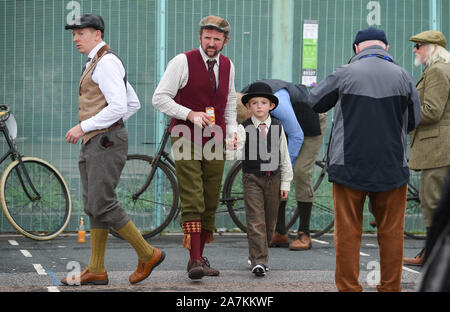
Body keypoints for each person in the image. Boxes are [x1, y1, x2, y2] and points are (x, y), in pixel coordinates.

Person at [307, 27, 421, 292]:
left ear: (356, 48)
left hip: (349, 166)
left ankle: (349, 288)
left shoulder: (344, 73)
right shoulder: (404, 76)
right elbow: (415, 120)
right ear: (386, 48)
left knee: (348, 232)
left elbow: (315, 101)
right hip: (392, 167)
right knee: (391, 232)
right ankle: (390, 287)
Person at [62, 13, 165, 286]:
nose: (75, 38)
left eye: (80, 33)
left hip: (103, 141)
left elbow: (120, 107)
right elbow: (133, 103)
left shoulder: (106, 62)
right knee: (94, 205)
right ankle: (96, 269)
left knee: (103, 203)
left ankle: (148, 253)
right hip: (100, 140)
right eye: (74, 34)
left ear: (97, 34)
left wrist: (87, 127)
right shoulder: (99, 62)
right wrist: (106, 128)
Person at [152, 15, 237, 280]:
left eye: (217, 39)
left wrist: (233, 131)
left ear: (225, 41)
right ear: (200, 37)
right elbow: (159, 98)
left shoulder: (227, 65)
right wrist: (189, 114)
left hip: (215, 137)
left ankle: (200, 256)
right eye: (207, 37)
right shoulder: (182, 61)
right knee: (193, 194)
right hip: (185, 134)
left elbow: (230, 102)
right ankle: (194, 261)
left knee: (211, 196)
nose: (211, 43)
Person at [241, 79, 328, 251]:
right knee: (274, 171)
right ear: (248, 107)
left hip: (309, 123)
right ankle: (279, 232)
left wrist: (285, 166)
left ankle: (304, 233)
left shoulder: (277, 103)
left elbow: (296, 135)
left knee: (300, 171)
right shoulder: (247, 99)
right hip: (286, 125)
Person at [230, 82, 293, 276]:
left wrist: (285, 182)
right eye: (254, 103)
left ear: (271, 106)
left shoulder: (277, 126)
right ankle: (259, 261)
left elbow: (284, 156)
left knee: (269, 222)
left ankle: (258, 253)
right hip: (252, 178)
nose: (259, 106)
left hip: (274, 179)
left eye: (263, 102)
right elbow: (236, 154)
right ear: (248, 107)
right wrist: (231, 147)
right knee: (255, 220)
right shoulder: (244, 128)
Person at [404, 30, 450, 267]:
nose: (415, 50)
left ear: (432, 47)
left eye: (419, 45)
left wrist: (403, 113)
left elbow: (431, 111)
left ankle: (432, 256)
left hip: (438, 148)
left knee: (431, 202)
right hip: (439, 147)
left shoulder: (438, 71)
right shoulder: (439, 69)